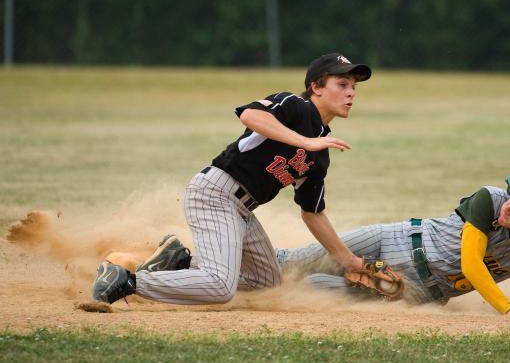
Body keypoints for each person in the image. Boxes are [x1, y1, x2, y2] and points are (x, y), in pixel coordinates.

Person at [92, 53, 372, 305]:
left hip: (241, 211)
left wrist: (349, 261)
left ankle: (179, 266)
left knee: (266, 283)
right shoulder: (294, 106)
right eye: (342, 84)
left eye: (354, 87)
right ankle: (125, 281)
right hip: (215, 193)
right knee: (220, 287)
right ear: (317, 87)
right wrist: (304, 141)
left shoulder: (320, 153)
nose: (351, 93)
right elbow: (250, 115)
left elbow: (313, 214)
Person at [276, 168, 510, 318]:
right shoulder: (490, 199)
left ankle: (253, 289)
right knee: (297, 261)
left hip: (414, 289)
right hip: (394, 238)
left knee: (311, 287)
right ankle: (229, 258)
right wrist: (508, 308)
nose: (508, 205)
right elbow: (472, 263)